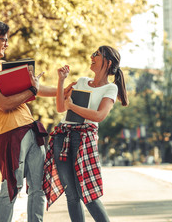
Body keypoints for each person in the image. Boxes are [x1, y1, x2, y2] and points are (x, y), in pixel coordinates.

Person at [0, 20, 71, 222]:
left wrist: (62, 90)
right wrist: (31, 90)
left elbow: (35, 89)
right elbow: (4, 103)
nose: (7, 44)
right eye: (4, 40)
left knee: (38, 187)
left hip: (31, 131)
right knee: (11, 188)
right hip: (10, 134)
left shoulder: (2, 67)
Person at [43, 45, 128, 222]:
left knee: (87, 194)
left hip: (84, 140)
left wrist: (72, 106)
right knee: (71, 195)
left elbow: (98, 116)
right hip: (63, 137)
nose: (92, 56)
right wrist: (61, 81)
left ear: (107, 61)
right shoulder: (81, 81)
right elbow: (60, 108)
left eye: (96, 54)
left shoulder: (110, 89)